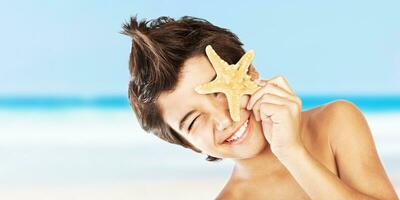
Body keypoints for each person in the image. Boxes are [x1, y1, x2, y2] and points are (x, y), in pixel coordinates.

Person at [121, 16, 398, 199]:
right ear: (187, 143)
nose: (224, 118)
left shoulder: (335, 122)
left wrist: (292, 152)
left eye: (220, 90)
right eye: (194, 122)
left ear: (250, 72)